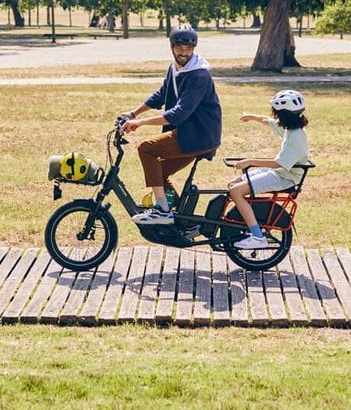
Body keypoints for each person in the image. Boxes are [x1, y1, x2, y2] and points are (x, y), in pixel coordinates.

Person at [119, 26, 222, 225]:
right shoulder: (175, 69)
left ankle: (162, 211)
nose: (184, 52)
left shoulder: (198, 75)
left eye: (189, 48)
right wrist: (134, 113)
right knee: (160, 172)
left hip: (198, 135)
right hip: (189, 133)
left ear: (194, 48)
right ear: (172, 47)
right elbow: (161, 95)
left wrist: (140, 123)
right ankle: (180, 218)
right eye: (180, 47)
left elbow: (178, 113)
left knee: (146, 149)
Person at [226, 89, 310, 250]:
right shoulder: (290, 128)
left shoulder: (296, 137)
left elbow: (279, 163)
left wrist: (249, 161)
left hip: (286, 177)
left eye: (277, 113)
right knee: (232, 184)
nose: (275, 116)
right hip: (280, 173)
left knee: (236, 192)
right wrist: (251, 116)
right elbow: (267, 120)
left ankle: (258, 236)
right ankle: (245, 222)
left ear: (284, 115)